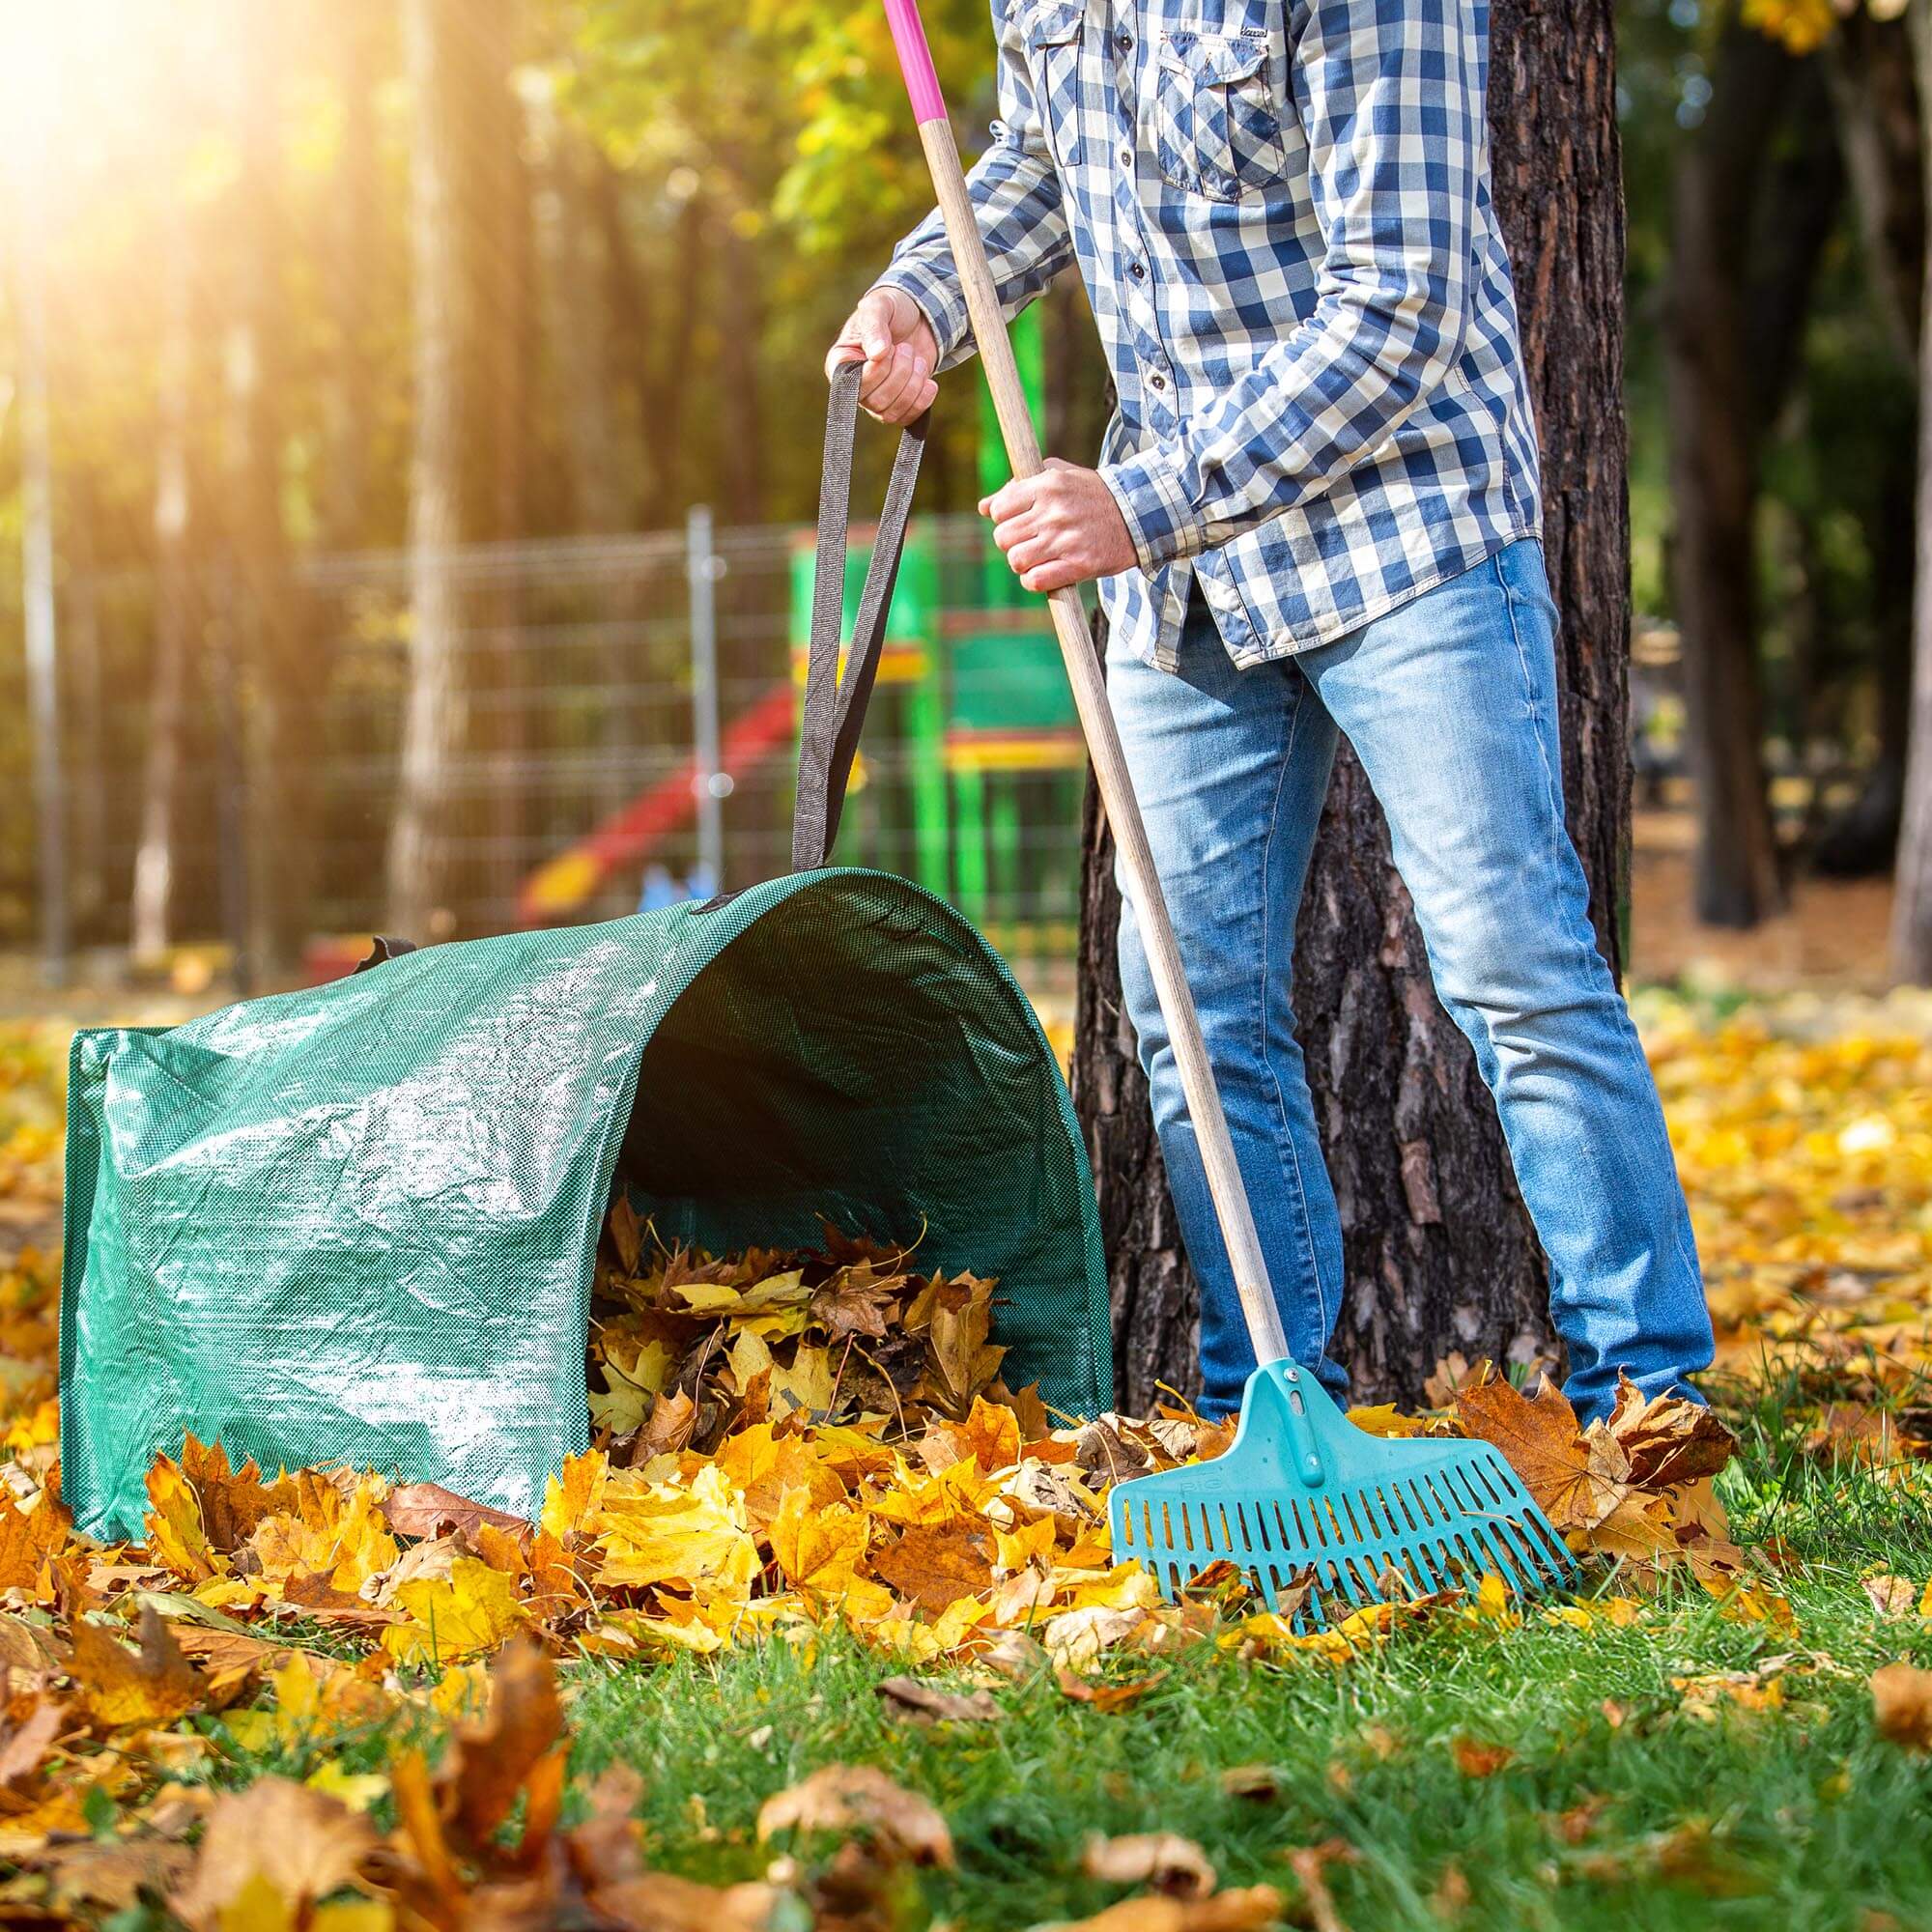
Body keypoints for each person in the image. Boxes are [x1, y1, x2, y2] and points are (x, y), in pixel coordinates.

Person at [825, 0, 1714, 1424]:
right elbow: (1040, 165)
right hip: (1188, 579)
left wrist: (1137, 503)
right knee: (1189, 1000)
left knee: (1514, 966)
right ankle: (1277, 1405)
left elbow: (1402, 307)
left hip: (1402, 530)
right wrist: (926, 290)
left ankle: (1652, 1400)